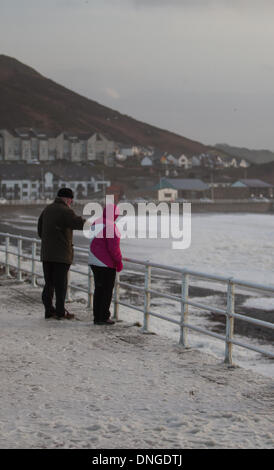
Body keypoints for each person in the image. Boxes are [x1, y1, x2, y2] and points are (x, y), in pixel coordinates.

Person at [38, 188, 85, 319]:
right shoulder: (66, 211)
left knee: (49, 284)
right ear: (67, 199)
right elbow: (79, 223)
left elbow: (40, 230)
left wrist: (49, 242)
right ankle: (60, 312)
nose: (71, 202)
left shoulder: (47, 209)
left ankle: (48, 310)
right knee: (61, 285)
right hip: (61, 255)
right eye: (71, 200)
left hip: (47, 254)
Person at [88, 203, 123, 325]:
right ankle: (103, 316)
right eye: (116, 215)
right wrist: (119, 261)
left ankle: (97, 316)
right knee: (106, 291)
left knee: (99, 289)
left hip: (93, 260)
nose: (116, 217)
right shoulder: (110, 226)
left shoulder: (96, 222)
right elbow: (113, 248)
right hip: (105, 263)